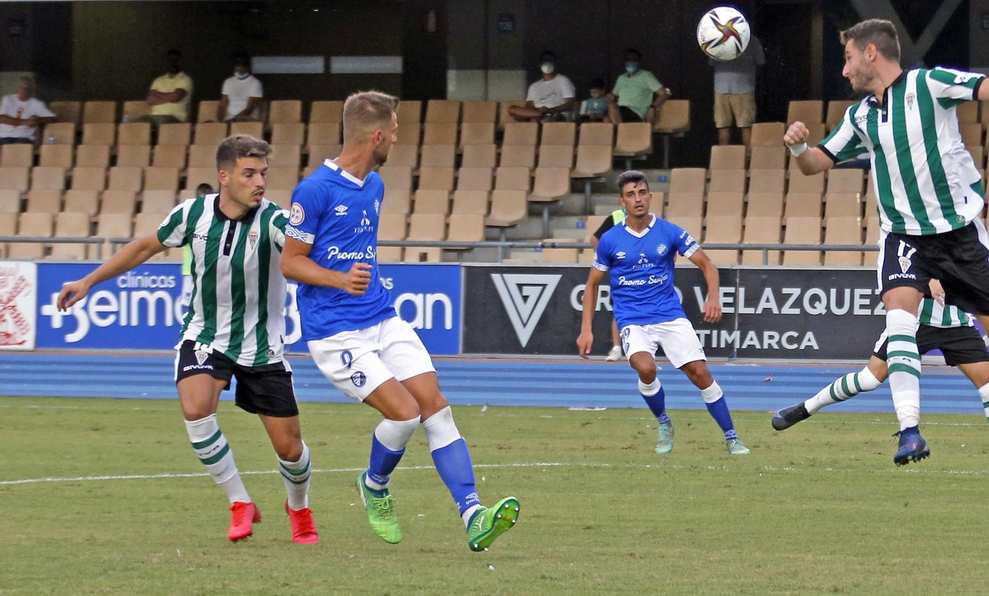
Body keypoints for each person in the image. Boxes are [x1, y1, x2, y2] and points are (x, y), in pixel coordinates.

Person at [784, 18, 989, 466]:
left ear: (871, 52)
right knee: (899, 312)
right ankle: (910, 432)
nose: (844, 70)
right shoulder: (860, 117)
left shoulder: (930, 85)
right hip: (905, 236)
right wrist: (797, 147)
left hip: (959, 239)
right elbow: (815, 164)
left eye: (849, 58)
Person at [280, 90, 519, 552]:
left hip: (381, 316)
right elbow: (291, 262)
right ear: (376, 135)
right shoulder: (313, 191)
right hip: (334, 329)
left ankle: (473, 514)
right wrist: (337, 278)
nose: (396, 140)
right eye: (393, 133)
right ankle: (374, 485)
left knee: (435, 406)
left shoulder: (375, 186)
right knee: (404, 414)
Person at [55, 135, 316, 544]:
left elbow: (304, 258)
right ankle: (240, 502)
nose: (259, 182)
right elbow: (144, 247)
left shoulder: (277, 222)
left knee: (291, 450)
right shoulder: (192, 214)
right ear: (224, 177)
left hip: (262, 345)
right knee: (196, 410)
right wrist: (88, 281)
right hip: (204, 335)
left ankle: (298, 507)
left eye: (263, 173)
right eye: (249, 174)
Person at [772, 278, 989, 493]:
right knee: (869, 378)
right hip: (913, 322)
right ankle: (805, 408)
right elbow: (901, 269)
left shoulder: (961, 230)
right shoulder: (919, 227)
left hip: (955, 323)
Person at [577, 171, 747, 456]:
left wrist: (713, 297)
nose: (638, 199)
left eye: (642, 192)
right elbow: (592, 284)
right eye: (631, 195)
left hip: (669, 314)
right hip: (632, 318)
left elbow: (707, 264)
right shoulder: (610, 240)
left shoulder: (669, 231)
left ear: (650, 196)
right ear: (622, 201)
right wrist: (586, 329)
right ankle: (664, 422)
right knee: (645, 368)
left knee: (700, 373)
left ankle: (732, 437)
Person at [711, 34, 765, 146]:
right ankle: (748, 161)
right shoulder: (752, 40)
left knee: (723, 127)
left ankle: (723, 160)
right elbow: (760, 61)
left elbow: (711, 62)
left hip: (721, 87)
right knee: (746, 127)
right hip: (744, 87)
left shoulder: (718, 39)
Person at [589, 206, 627, 362]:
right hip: (621, 271)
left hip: (643, 271)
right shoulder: (616, 216)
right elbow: (595, 238)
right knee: (619, 309)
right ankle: (617, 348)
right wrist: (605, 260)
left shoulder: (649, 220)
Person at [508, 52, 577, 123]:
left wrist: (550, 110)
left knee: (535, 120)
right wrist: (539, 111)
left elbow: (569, 105)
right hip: (537, 112)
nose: (547, 65)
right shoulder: (534, 86)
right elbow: (529, 105)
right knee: (512, 109)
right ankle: (539, 114)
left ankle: (539, 116)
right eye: (545, 62)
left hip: (556, 114)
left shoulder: (563, 80)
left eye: (549, 62)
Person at [607, 49, 670, 126]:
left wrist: (653, 107)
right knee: (606, 118)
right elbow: (613, 96)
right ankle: (621, 133)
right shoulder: (621, 78)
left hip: (636, 113)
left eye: (634, 60)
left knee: (612, 107)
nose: (631, 62)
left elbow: (666, 93)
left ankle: (622, 133)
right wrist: (608, 97)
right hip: (620, 112)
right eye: (628, 59)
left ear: (638, 62)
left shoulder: (646, 76)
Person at [142, 49, 194, 124]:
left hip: (175, 117)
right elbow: (150, 100)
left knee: (162, 121)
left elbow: (176, 97)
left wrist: (157, 95)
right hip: (155, 117)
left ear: (180, 62)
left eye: (176, 60)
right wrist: (169, 96)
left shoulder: (185, 80)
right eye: (170, 60)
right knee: (136, 123)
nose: (173, 63)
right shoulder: (159, 80)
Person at [0, 76, 54, 145]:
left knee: (20, 150)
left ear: (32, 90)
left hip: (23, 137)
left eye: (27, 88)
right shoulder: (8, 99)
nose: (23, 90)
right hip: (3, 136)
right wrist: (25, 122)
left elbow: (52, 118)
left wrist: (37, 120)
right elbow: (2, 118)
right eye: (21, 87)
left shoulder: (37, 104)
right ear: (18, 88)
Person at [217, 54, 264, 123]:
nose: (240, 68)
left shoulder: (255, 83)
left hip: (248, 118)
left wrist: (236, 119)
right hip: (230, 117)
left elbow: (251, 106)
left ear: (248, 67)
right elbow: (223, 104)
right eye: (238, 65)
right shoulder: (228, 82)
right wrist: (219, 121)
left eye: (243, 66)